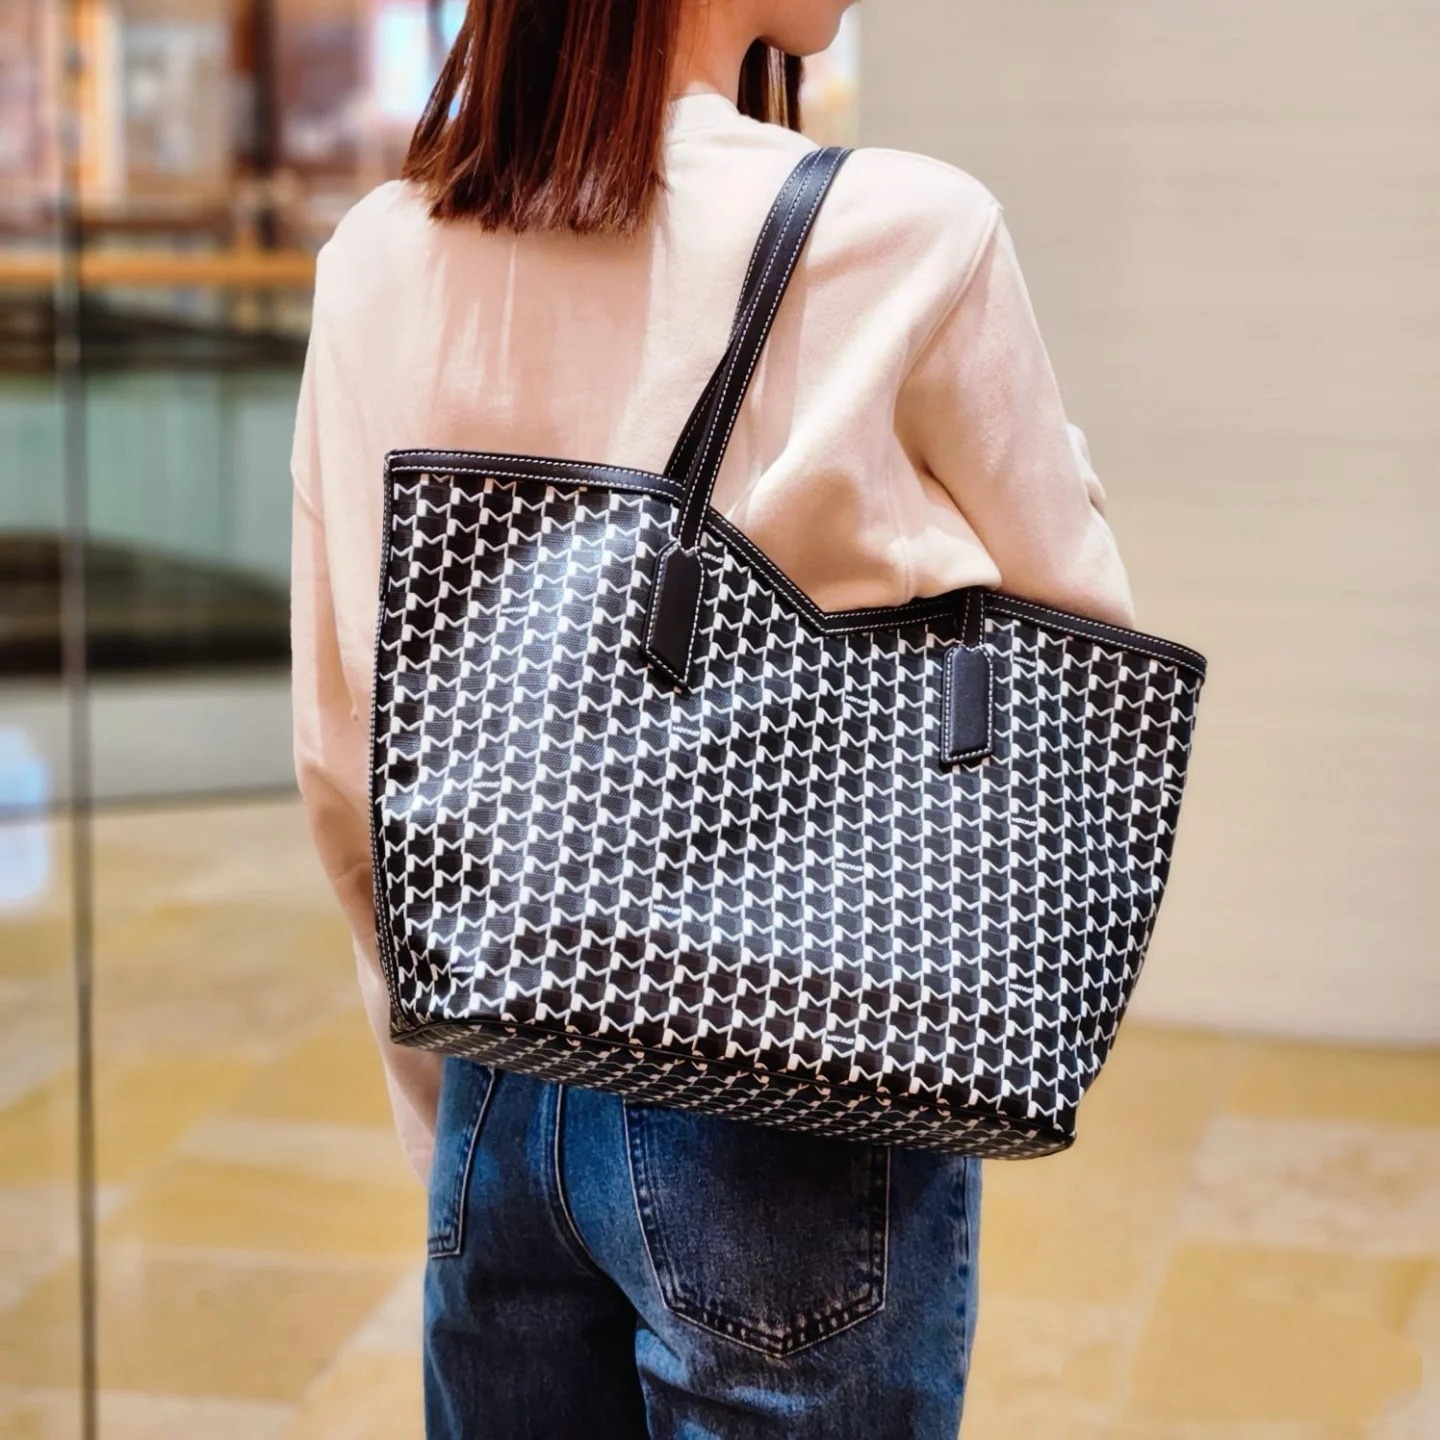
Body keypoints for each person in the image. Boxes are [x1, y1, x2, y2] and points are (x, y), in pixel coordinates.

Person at [290, 1, 1133, 1435]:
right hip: (798, 1076)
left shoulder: (382, 252)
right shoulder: (907, 233)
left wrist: (444, 1096)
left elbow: (346, 750)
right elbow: (1078, 646)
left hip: (503, 1062)